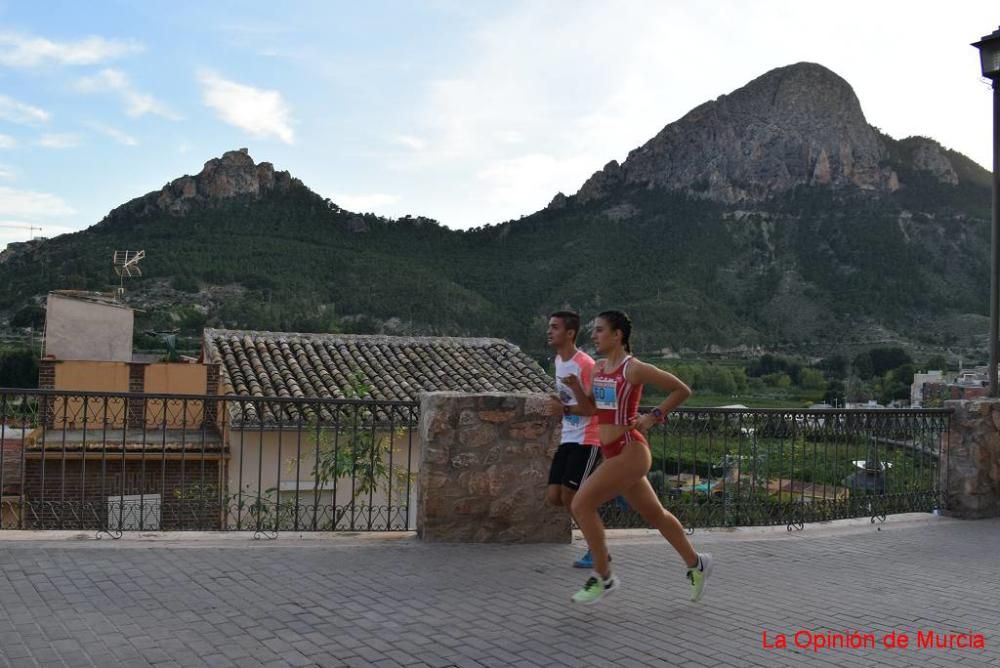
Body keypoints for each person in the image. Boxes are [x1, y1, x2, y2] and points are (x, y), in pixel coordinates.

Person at [562, 310, 712, 605]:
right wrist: (577, 389)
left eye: (600, 330)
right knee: (655, 514)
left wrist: (654, 416)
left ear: (618, 335)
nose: (594, 335)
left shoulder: (634, 369)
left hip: (631, 449)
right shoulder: (599, 369)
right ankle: (697, 563)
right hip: (612, 452)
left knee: (581, 503)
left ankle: (604, 577)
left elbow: (681, 390)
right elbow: (594, 410)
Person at [544, 310, 603, 568]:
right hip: (568, 436)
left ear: (570, 333)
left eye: (555, 327)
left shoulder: (585, 364)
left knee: (573, 497)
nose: (549, 331)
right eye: (550, 326)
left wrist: (564, 409)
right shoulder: (558, 361)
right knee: (554, 496)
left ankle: (598, 550)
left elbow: (593, 409)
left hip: (587, 439)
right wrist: (563, 405)